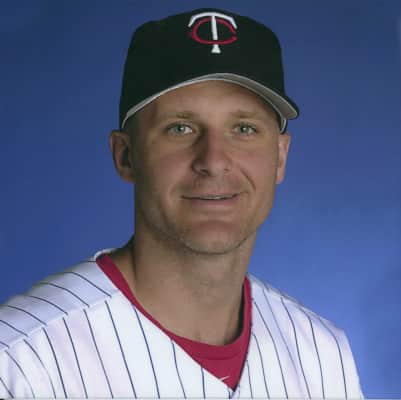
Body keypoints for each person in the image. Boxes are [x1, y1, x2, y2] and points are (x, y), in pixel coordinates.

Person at [0, 8, 363, 399]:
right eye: (180, 128)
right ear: (125, 155)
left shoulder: (322, 355)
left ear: (280, 156)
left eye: (244, 128)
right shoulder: (20, 360)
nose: (213, 160)